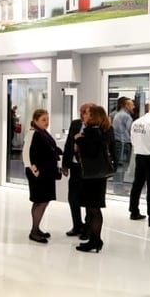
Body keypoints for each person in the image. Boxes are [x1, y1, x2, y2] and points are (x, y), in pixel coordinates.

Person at [75, 105, 116, 252]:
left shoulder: (92, 133)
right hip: (96, 176)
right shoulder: (99, 131)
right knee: (93, 208)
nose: (84, 116)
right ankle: (94, 239)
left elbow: (91, 152)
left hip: (93, 177)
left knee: (93, 209)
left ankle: (95, 240)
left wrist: (79, 141)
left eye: (87, 113)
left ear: (93, 116)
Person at [22, 109, 62, 244]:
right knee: (41, 201)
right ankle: (34, 231)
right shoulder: (32, 133)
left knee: (40, 201)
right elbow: (26, 154)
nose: (47, 122)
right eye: (43, 119)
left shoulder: (43, 132)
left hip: (46, 173)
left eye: (47, 119)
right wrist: (35, 170)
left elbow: (49, 148)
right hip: (39, 173)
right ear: (35, 120)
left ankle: (36, 228)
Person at [62, 102, 92, 239]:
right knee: (73, 198)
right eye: (81, 111)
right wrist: (65, 164)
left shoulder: (95, 127)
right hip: (74, 166)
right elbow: (68, 144)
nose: (82, 114)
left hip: (88, 168)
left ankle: (88, 228)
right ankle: (77, 225)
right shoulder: (75, 124)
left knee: (87, 199)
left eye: (85, 112)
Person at [129, 100, 150, 227]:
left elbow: (132, 140)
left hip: (139, 155)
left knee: (137, 184)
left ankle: (133, 211)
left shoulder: (137, 122)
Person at [111, 97, 134, 194]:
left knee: (119, 165)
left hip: (118, 142)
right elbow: (130, 131)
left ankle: (117, 187)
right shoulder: (126, 116)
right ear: (126, 105)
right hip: (123, 143)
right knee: (121, 165)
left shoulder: (116, 114)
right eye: (132, 104)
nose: (133, 106)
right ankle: (118, 188)